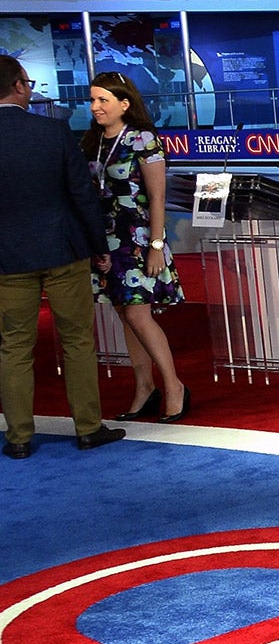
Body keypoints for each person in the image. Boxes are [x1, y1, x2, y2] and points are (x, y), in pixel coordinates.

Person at [0, 55, 124, 457]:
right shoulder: (54, 132)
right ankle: (88, 428)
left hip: (7, 259)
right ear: (19, 86)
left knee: (14, 347)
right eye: (28, 81)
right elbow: (82, 196)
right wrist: (98, 249)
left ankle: (18, 439)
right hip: (63, 251)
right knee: (76, 341)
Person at [84, 71, 191, 424]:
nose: (95, 107)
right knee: (123, 313)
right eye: (93, 99)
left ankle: (174, 387)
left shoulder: (143, 139)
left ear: (124, 104)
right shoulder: (92, 140)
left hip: (139, 237)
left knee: (137, 313)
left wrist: (157, 244)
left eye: (103, 100)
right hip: (105, 238)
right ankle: (144, 387)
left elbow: (157, 196)